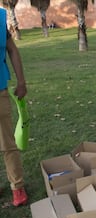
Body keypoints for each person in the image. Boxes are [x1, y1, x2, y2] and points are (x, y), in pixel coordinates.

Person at [0, 7, 28, 206]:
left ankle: (17, 187)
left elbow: (12, 49)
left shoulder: (0, 18)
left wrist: (21, 82)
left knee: (7, 142)